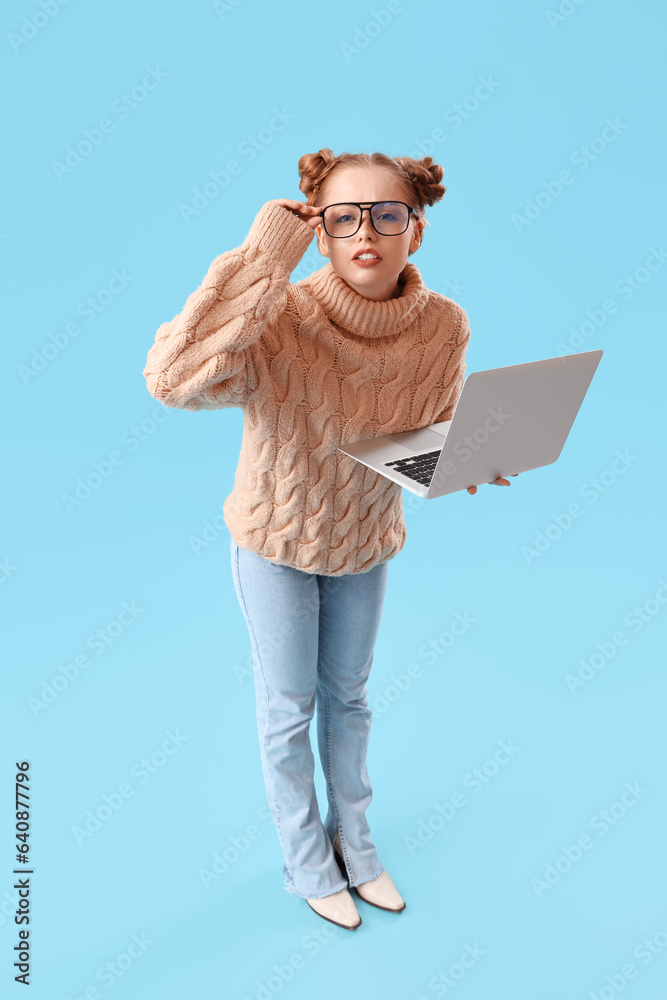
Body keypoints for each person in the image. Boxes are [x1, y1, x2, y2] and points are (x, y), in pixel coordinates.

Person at [142, 148, 517, 931]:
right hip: (275, 540)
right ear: (319, 232)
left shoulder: (444, 325)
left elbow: (421, 430)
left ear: (415, 230)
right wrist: (262, 253)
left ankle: (359, 849)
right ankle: (307, 864)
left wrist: (467, 458)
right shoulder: (278, 314)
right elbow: (173, 379)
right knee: (289, 708)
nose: (364, 233)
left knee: (348, 701)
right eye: (342, 217)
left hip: (364, 539)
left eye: (387, 215)